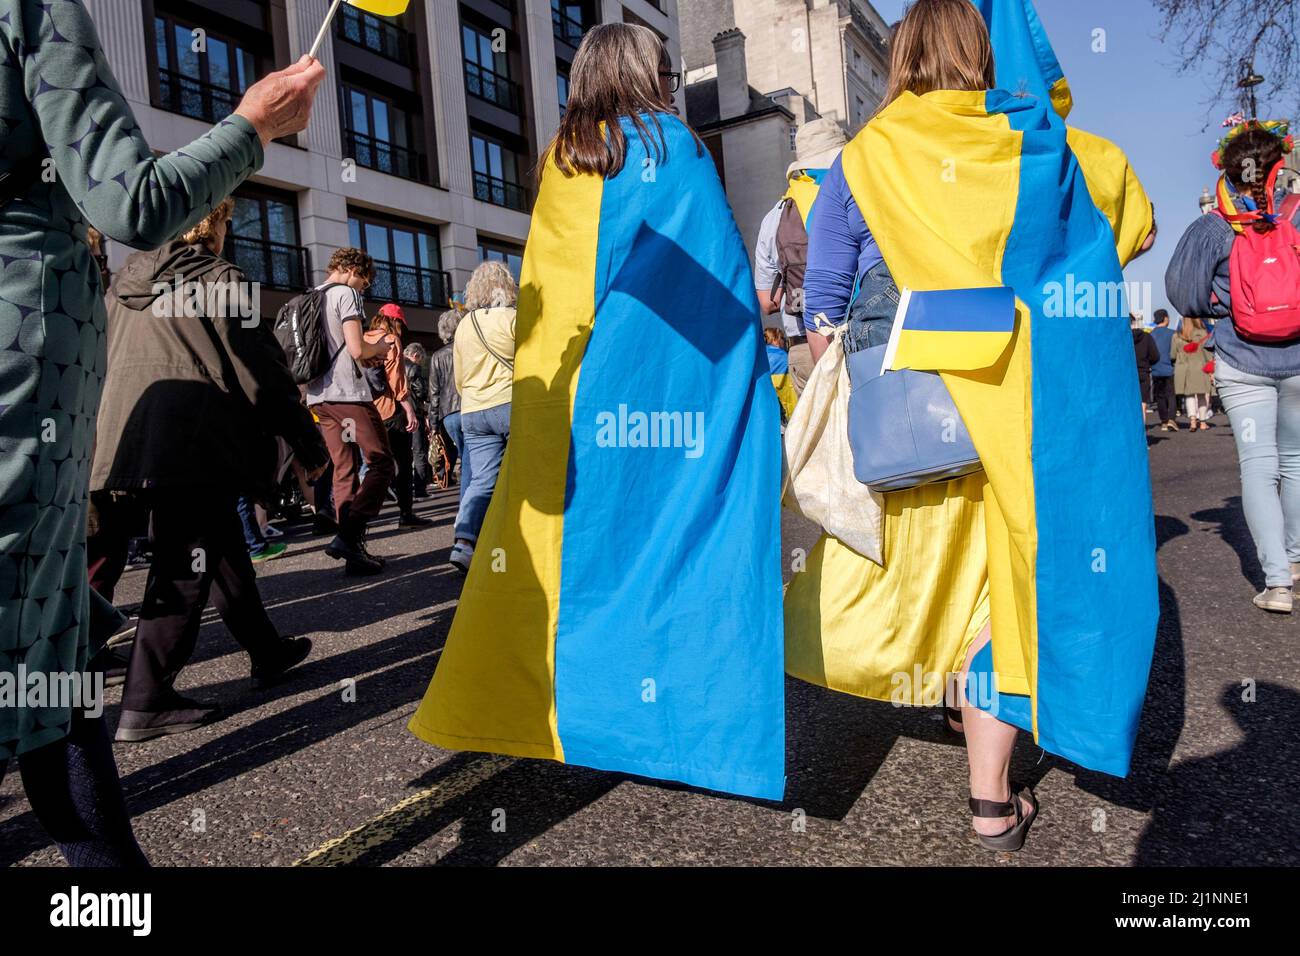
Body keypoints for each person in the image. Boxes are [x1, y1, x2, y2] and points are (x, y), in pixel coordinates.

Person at [785, 0, 1158, 850]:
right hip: (1021, 410)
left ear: (902, 58)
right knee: (1004, 588)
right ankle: (991, 794)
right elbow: (1128, 219)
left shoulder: (864, 157)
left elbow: (822, 309)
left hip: (910, 413)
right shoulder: (1037, 146)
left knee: (936, 577)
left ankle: (961, 706)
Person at [408, 22, 785, 800]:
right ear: (650, 75)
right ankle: (674, 723)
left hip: (576, 397)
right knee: (678, 554)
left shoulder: (565, 156)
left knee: (582, 563)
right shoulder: (674, 148)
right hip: (667, 394)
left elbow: (557, 287)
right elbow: (718, 294)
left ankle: (579, 711)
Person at [0, 0, 323, 865]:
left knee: (65, 639)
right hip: (85, 408)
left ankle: (111, 889)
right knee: (65, 629)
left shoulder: (129, 289)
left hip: (117, 447)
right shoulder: (207, 280)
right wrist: (252, 126)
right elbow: (130, 201)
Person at [91, 198, 328, 740]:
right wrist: (307, 442)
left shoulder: (122, 287)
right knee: (184, 562)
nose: (227, 232)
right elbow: (263, 372)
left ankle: (267, 651)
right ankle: (145, 699)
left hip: (130, 437)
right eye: (225, 222)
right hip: (196, 437)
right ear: (215, 225)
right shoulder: (222, 278)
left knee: (217, 548)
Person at [1167, 119, 1300, 613]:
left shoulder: (1213, 226)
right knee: (1297, 462)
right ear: (1277, 168)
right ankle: (1297, 557)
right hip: (1299, 359)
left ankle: (1277, 583)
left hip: (1243, 359)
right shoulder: (1296, 214)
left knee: (1259, 468)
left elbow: (1183, 294)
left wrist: (1226, 303)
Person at [305, 248, 399, 576]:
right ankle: (348, 537)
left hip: (319, 397)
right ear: (350, 269)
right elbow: (358, 349)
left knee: (343, 468)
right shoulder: (346, 294)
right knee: (382, 462)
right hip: (347, 394)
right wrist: (382, 348)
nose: (364, 287)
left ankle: (353, 553)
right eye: (364, 280)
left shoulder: (312, 296)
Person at [753, 118, 849, 395]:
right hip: (860, 337)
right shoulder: (855, 195)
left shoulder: (775, 218)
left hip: (804, 345)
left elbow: (768, 303)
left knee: (816, 435)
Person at [447, 261, 517, 574]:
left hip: (472, 410)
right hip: (510, 403)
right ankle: (515, 541)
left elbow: (459, 378)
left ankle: (464, 541)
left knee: (482, 480)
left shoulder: (464, 325)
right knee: (522, 475)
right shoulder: (513, 318)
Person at [363, 304, 429, 528]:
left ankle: (361, 514)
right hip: (391, 409)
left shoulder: (364, 337)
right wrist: (408, 408)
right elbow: (396, 377)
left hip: (369, 409)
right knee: (403, 460)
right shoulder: (391, 340)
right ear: (395, 322)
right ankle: (406, 514)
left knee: (377, 463)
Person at [428, 310, 465, 492]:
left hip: (448, 414)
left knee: (465, 457)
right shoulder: (466, 349)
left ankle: (467, 507)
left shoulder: (436, 356)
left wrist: (434, 425)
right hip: (469, 407)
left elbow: (434, 393)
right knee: (473, 459)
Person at [1172, 315, 1215, 431]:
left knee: (1189, 395)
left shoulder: (1177, 335)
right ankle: (1202, 422)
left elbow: (1172, 355)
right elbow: (1208, 354)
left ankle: (1192, 422)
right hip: (1200, 368)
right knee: (1202, 395)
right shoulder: (1203, 334)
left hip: (1183, 370)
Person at [405, 342, 431, 498]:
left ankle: (401, 488)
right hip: (414, 412)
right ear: (415, 355)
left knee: (402, 454)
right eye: (420, 359)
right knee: (419, 451)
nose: (420, 362)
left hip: (397, 414)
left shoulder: (394, 363)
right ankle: (420, 490)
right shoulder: (413, 367)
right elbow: (421, 391)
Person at [1150, 308, 1178, 430]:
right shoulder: (1173, 334)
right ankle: (1172, 419)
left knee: (1160, 396)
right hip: (1169, 368)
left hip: (1156, 369)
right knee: (1171, 395)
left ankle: (1164, 422)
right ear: (1166, 318)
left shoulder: (1151, 335)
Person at [764, 327, 798, 424]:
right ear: (775, 340)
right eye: (782, 338)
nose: (784, 341)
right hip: (787, 405)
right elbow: (789, 392)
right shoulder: (783, 356)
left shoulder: (762, 356)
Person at [1132, 316, 1160, 423]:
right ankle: (1142, 435)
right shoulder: (1147, 337)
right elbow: (1155, 356)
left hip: (1127, 374)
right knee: (1142, 405)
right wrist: (1147, 363)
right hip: (1143, 372)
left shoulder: (1122, 338)